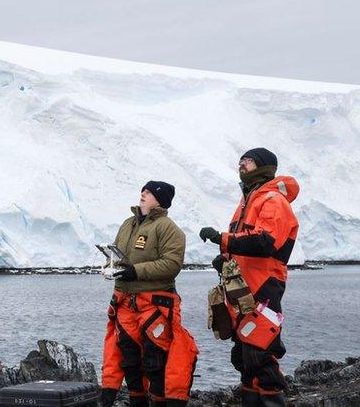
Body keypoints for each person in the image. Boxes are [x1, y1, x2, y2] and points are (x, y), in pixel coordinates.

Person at [199, 147, 300, 407]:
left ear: (264, 166)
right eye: (241, 160)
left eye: (248, 160)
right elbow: (246, 247)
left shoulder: (272, 201)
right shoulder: (249, 200)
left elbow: (265, 242)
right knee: (244, 356)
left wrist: (223, 239)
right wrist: (225, 260)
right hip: (243, 289)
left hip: (264, 286)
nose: (241, 164)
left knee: (260, 352)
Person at [101, 181, 198, 407]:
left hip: (154, 306)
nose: (143, 194)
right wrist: (111, 265)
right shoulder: (128, 224)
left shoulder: (169, 229)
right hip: (125, 304)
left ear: (160, 199)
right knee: (130, 363)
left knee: (157, 364)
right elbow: (117, 255)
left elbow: (172, 265)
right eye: (143, 191)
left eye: (149, 192)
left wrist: (135, 271)